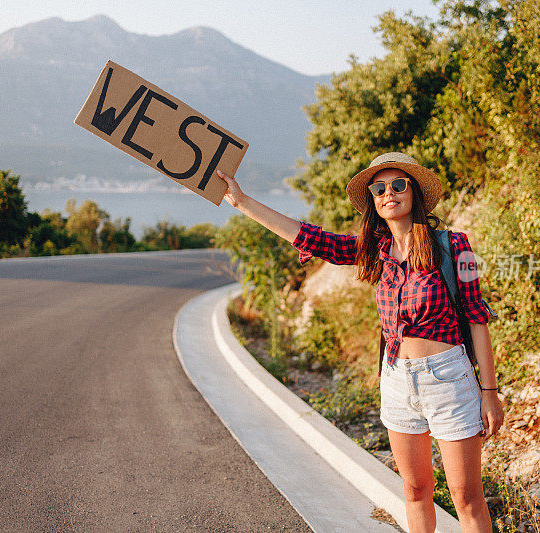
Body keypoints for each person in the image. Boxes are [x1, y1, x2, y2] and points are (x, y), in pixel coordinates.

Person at [216, 151, 504, 533]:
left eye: (398, 184)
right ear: (373, 199)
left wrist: (490, 391)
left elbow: (476, 316)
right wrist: (242, 202)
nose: (389, 193)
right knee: (415, 490)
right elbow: (310, 237)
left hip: (449, 379)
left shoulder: (453, 245)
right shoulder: (375, 251)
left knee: (466, 498)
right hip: (397, 380)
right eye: (379, 188)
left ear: (414, 191)